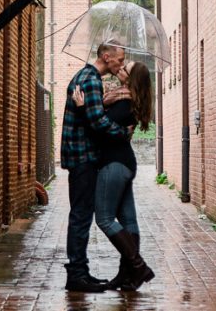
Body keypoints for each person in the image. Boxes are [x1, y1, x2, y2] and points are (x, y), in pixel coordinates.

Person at [73, 60, 155, 291]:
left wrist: (82, 108)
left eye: (124, 69)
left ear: (131, 78)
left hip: (114, 165)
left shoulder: (125, 102)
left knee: (105, 219)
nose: (119, 70)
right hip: (124, 164)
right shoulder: (127, 99)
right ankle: (127, 275)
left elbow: (101, 130)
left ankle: (138, 267)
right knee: (128, 220)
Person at [60, 42, 130, 293]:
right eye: (119, 60)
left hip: (83, 156)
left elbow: (92, 113)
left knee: (82, 215)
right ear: (106, 56)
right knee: (80, 216)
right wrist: (123, 132)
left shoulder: (88, 78)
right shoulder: (90, 79)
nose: (121, 64)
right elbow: (97, 121)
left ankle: (82, 272)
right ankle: (77, 275)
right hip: (83, 158)